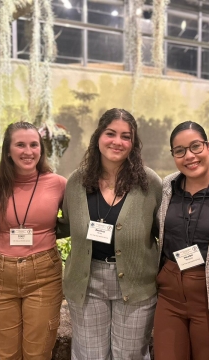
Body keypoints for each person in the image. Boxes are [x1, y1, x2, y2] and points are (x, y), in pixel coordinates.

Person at [59, 108, 162, 360]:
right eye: (110, 133)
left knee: (129, 355)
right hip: (87, 282)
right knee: (89, 355)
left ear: (133, 143)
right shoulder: (77, 182)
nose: (117, 141)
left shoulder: (150, 184)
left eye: (126, 136)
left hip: (136, 283)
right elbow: (68, 223)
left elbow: (162, 231)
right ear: (98, 137)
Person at [154, 121, 209, 360]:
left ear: (208, 147)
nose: (189, 156)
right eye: (179, 150)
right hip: (169, 292)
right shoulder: (167, 186)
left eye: (195, 147)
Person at [0, 121, 66, 360]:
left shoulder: (58, 184)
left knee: (38, 353)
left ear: (41, 149)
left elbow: (73, 220)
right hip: (0, 275)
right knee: (6, 353)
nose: (28, 151)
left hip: (44, 274)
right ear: (8, 150)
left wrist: (47, 232)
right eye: (20, 145)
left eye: (33, 145)